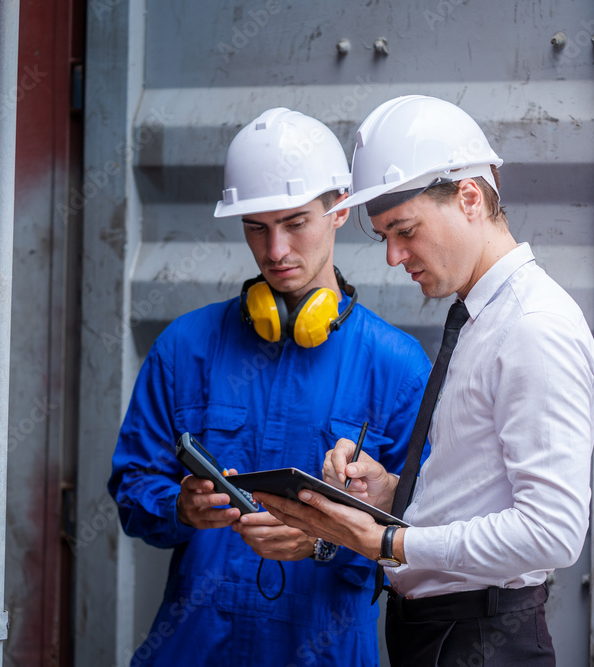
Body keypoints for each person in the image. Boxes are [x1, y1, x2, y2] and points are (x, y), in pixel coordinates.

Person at [256, 95, 594, 667]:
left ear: (469, 197)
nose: (394, 257)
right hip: (442, 635)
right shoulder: (481, 318)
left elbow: (552, 531)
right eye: (384, 236)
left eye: (405, 230)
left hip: (481, 641)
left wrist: (390, 542)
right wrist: (393, 492)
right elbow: (480, 487)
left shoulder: (533, 329)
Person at [108, 107, 431, 667]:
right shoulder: (186, 347)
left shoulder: (397, 367)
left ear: (339, 209)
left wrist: (326, 542)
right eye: (256, 227)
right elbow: (133, 490)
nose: (275, 250)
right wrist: (179, 509)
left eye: (295, 222)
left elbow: (425, 536)